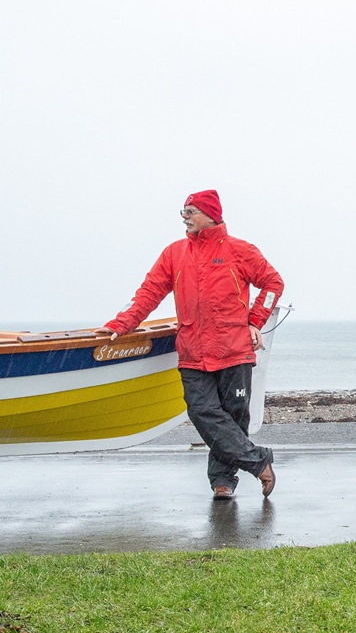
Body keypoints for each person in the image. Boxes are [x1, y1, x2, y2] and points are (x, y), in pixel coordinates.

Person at [97, 189, 284, 500]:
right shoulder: (174, 254)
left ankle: (222, 481)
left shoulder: (241, 251)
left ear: (210, 215)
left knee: (235, 416)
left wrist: (255, 321)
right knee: (201, 412)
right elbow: (148, 294)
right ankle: (258, 461)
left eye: (190, 211)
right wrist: (121, 324)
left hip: (234, 350)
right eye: (183, 212)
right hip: (193, 352)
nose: (183, 218)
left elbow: (273, 283)